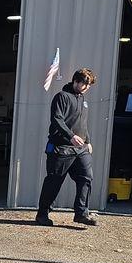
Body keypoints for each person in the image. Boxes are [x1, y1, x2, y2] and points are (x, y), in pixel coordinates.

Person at [35, 68, 99, 226]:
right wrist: (71, 136)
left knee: (86, 177)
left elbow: (82, 123)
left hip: (80, 149)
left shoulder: (82, 100)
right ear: (75, 81)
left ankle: (81, 213)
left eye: (89, 85)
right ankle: (43, 214)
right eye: (84, 84)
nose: (86, 87)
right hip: (61, 148)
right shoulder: (62, 97)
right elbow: (57, 119)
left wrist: (88, 141)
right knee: (54, 181)